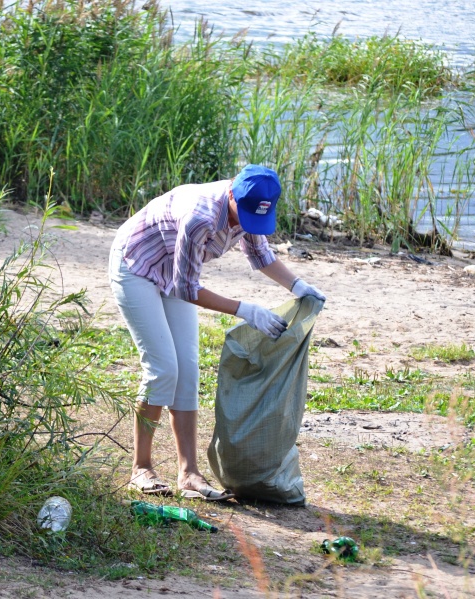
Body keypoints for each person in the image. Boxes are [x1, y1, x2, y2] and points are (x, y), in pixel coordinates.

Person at [108, 164, 326, 501]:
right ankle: (141, 468)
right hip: (136, 266)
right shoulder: (201, 217)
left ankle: (189, 474)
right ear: (231, 195)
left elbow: (260, 254)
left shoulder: (251, 204)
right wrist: (245, 310)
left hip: (174, 271)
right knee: (164, 368)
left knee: (188, 371)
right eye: (245, 215)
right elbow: (187, 289)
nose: (246, 225)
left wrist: (298, 285)